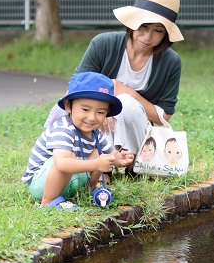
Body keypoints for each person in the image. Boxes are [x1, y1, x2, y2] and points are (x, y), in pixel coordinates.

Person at [46, 0, 184, 163]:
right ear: (133, 22)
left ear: (165, 34)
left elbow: (164, 116)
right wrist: (101, 110)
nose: (148, 37)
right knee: (64, 108)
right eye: (144, 26)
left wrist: (128, 93)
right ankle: (73, 157)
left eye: (158, 30)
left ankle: (130, 164)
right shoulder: (103, 43)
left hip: (136, 131)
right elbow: (74, 89)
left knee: (126, 103)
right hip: (95, 123)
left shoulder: (170, 61)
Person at [22, 72, 135, 210]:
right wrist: (96, 164)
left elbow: (111, 155)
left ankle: (88, 192)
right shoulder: (63, 128)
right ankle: (48, 202)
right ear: (68, 106)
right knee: (70, 157)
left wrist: (120, 159)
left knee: (99, 153)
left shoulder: (95, 133)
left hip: (67, 181)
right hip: (41, 184)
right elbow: (62, 164)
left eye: (100, 112)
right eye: (85, 109)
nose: (92, 117)